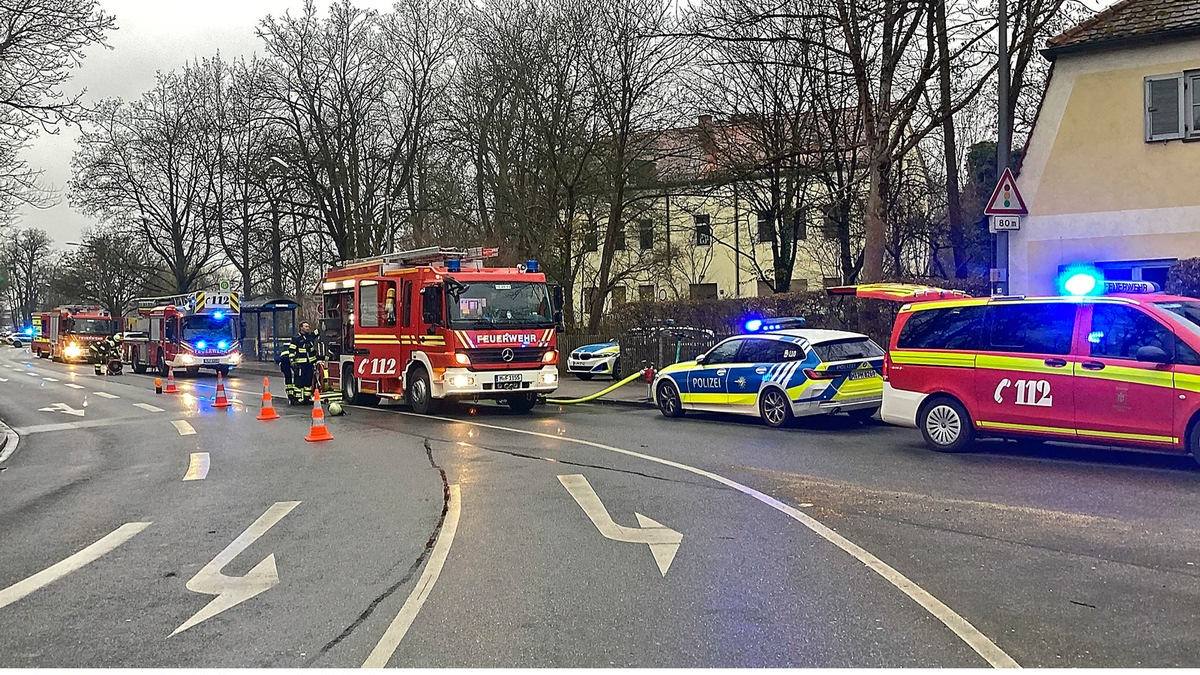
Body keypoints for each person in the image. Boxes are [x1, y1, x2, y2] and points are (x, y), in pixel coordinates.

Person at [287, 321, 318, 405]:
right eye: (306, 326)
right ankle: (297, 398)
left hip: (309, 364)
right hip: (300, 365)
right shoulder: (296, 339)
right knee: (299, 382)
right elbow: (291, 351)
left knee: (308, 382)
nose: (308, 328)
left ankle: (306, 399)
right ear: (301, 328)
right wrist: (292, 361)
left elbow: (317, 332)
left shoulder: (309, 337)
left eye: (308, 326)